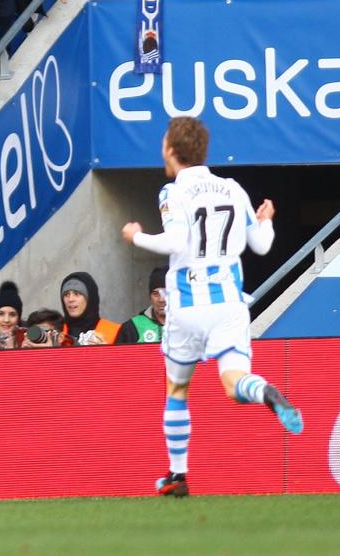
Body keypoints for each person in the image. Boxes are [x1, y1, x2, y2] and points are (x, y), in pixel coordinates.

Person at [121, 115, 300, 499]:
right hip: (230, 302)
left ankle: (177, 475)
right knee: (234, 383)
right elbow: (263, 246)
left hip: (187, 303)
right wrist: (265, 221)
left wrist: (137, 237)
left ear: (171, 150)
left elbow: (175, 242)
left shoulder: (173, 192)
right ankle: (265, 391)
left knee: (177, 389)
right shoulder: (232, 188)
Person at [116, 266, 168, 345]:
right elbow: (118, 356)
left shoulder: (188, 324)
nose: (161, 299)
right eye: (155, 294)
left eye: (166, 293)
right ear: (150, 297)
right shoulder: (132, 327)